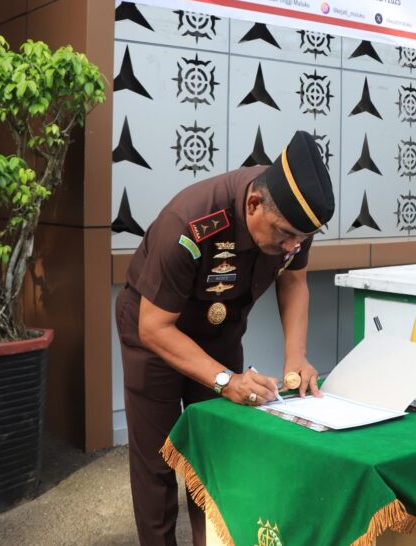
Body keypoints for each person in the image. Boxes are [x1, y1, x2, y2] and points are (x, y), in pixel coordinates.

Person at [116, 129, 335, 546]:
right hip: (154, 333)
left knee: (216, 455)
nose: (292, 246)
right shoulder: (188, 223)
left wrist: (296, 356)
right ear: (253, 205)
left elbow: (294, 281)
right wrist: (225, 380)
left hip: (219, 334)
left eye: (302, 239)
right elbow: (154, 326)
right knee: (159, 459)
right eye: (285, 235)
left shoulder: (291, 221)